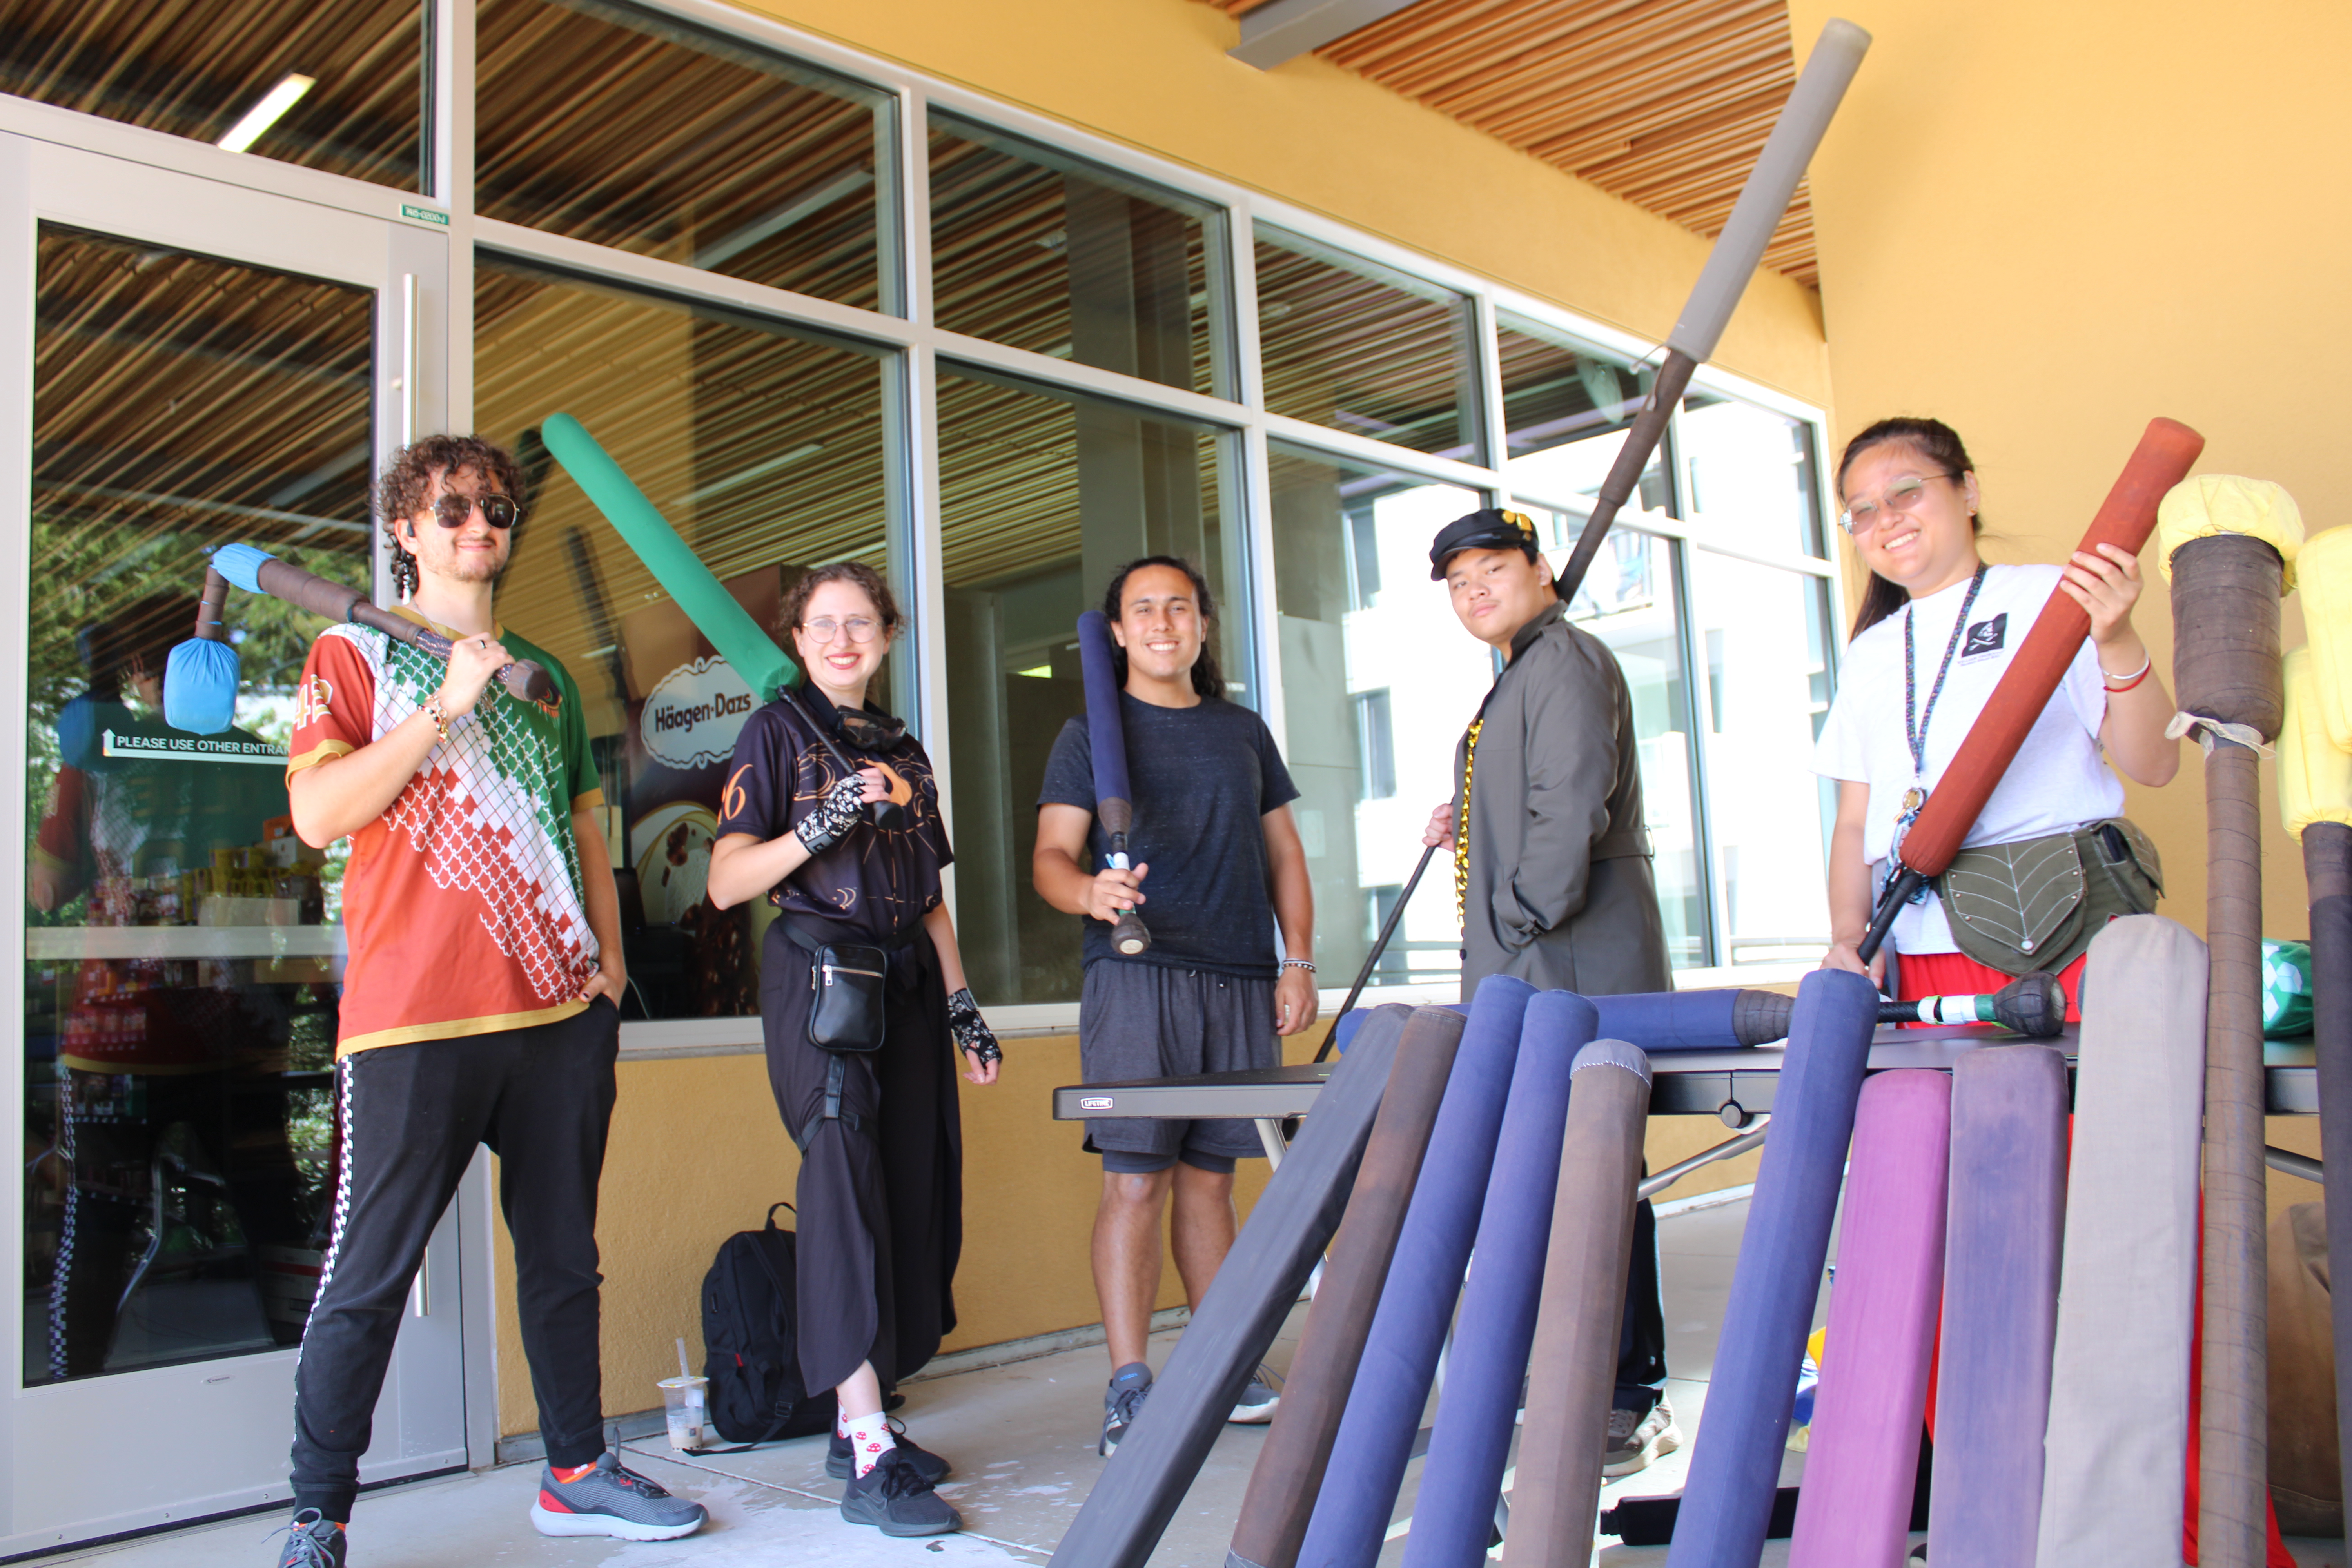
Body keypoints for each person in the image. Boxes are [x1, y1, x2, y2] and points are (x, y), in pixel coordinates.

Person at [270, 437, 706, 1568]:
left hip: (559, 1015)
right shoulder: (349, 651)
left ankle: (574, 1472)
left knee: (564, 1256)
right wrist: (442, 706)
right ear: (407, 530)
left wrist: (610, 970)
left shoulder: (544, 674)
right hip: (414, 1020)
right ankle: (319, 1514)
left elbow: (585, 828)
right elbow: (320, 816)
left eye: (497, 508)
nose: (479, 523)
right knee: (370, 1272)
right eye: (453, 506)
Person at [706, 559, 1000, 1539]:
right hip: (820, 981)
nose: (842, 639)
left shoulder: (906, 749)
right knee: (839, 1183)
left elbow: (929, 896)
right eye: (823, 624)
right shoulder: (776, 732)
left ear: (887, 634)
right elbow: (726, 881)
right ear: (796, 639)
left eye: (860, 622)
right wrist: (824, 821)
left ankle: (857, 1418)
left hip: (907, 985)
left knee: (913, 1188)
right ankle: (870, 1450)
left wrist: (962, 1004)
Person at [1032, 556, 1317, 1457]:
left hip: (1238, 979)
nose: (1164, 622)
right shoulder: (1091, 732)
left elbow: (1285, 854)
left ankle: (1220, 1364)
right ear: (1117, 631)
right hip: (1138, 977)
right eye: (1144, 609)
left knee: (1211, 1181)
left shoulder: (1242, 730)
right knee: (1135, 1180)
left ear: (1202, 623)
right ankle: (1130, 1383)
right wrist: (1090, 893)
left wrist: (1297, 960)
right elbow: (1051, 856)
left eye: (1180, 607)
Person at [1418, 506, 1678, 1477]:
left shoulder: (1562, 660)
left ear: (1540, 571)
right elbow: (1532, 800)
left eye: (1492, 568)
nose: (1474, 591)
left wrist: (1516, 917)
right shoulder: (1522, 672)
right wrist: (1471, 819)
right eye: (1458, 582)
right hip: (1536, 965)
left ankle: (1627, 1393)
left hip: (1569, 964)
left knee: (1598, 1174)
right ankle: (1582, 1377)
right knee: (1559, 1176)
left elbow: (1569, 810)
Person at [1813, 417, 2178, 1011]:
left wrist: (2116, 639)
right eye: (1863, 511)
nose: (1887, 519)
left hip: (2063, 925)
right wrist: (1850, 936)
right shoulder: (1867, 654)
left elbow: (2156, 763)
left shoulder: (2053, 598)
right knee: (1944, 1078)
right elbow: (1855, 823)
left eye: (1906, 492)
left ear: (1969, 492)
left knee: (2079, 1075)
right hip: (1921, 946)